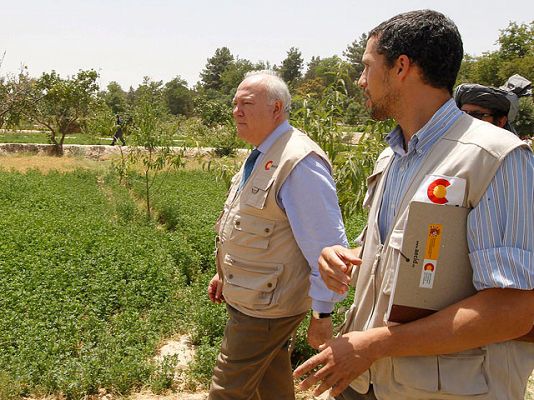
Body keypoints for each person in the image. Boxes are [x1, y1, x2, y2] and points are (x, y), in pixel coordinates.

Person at [294, 9, 534, 400]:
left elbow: (511, 311)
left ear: (401, 67)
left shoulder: (495, 158)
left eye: (367, 66)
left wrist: (377, 344)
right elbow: (407, 260)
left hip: (446, 389)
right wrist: (350, 258)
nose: (360, 80)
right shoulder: (392, 157)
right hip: (369, 379)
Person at [208, 70, 348, 400]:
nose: (236, 111)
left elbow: (328, 248)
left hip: (266, 310)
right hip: (253, 297)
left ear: (276, 109)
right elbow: (249, 227)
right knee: (270, 384)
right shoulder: (261, 154)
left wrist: (322, 315)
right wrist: (223, 274)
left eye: (246, 103)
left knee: (226, 389)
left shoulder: (298, 162)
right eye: (234, 104)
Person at [454, 74, 532, 134]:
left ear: (501, 121)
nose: (467, 120)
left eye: (477, 115)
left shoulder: (513, 153)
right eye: (463, 114)